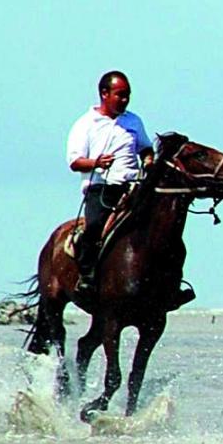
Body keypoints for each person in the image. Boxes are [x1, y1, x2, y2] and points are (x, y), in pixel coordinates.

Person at [64, 69, 156, 289]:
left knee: (162, 223)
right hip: (102, 188)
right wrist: (96, 162)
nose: (124, 100)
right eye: (120, 95)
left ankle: (167, 281)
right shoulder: (86, 124)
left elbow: (145, 148)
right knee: (95, 226)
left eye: (127, 96)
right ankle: (86, 277)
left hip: (133, 186)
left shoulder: (133, 121)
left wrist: (149, 161)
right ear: (104, 94)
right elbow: (74, 162)